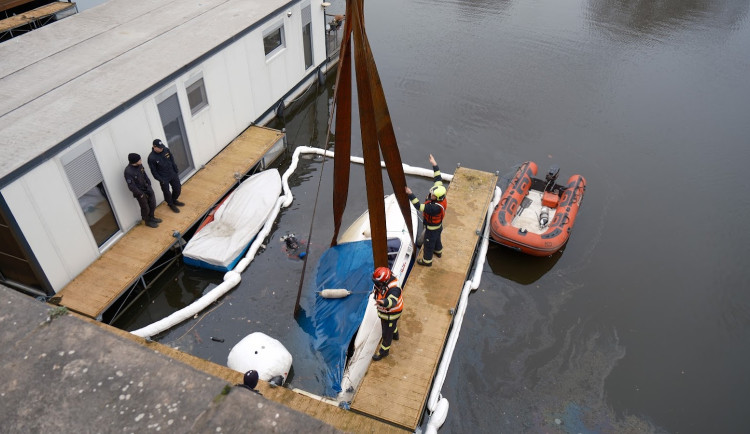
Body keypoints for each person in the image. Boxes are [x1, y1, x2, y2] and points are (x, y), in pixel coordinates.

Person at [405, 154, 447, 266]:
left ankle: (427, 261)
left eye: (432, 195)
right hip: (438, 227)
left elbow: (419, 206)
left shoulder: (434, 208)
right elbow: (438, 178)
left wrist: (410, 194)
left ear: (437, 198)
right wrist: (434, 164)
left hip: (431, 229)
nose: (430, 195)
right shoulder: (441, 193)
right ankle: (438, 251)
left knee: (428, 245)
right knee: (437, 240)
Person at [371, 266, 403, 361]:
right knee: (392, 326)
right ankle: (395, 334)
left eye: (378, 283)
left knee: (386, 334)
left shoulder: (394, 288)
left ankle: (383, 352)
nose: (377, 285)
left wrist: (383, 302)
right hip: (387, 315)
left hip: (391, 315)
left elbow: (391, 302)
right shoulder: (386, 282)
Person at [124, 153, 161, 228]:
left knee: (152, 203)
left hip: (147, 187)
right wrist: (140, 193)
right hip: (140, 192)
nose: (141, 161)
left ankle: (152, 217)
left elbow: (144, 174)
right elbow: (131, 186)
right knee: (145, 208)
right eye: (139, 160)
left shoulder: (140, 165)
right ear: (134, 161)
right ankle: (147, 221)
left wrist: (149, 184)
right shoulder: (128, 171)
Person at [148, 139, 184, 213]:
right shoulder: (151, 158)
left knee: (177, 188)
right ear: (154, 147)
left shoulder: (166, 150)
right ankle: (171, 204)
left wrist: (175, 170)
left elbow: (172, 160)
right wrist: (161, 180)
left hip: (172, 173)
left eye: (162, 147)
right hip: (163, 177)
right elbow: (153, 171)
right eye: (159, 147)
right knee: (167, 192)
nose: (161, 148)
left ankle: (174, 200)